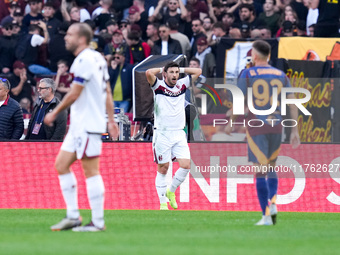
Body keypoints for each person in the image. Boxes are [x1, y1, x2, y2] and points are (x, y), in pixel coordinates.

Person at [44, 23, 119, 232]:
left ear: (82, 39)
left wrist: (54, 112)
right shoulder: (97, 58)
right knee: (61, 165)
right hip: (80, 126)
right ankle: (73, 216)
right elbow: (107, 92)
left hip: (88, 125)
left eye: (69, 34)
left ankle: (97, 222)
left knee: (91, 171)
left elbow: (75, 92)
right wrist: (111, 121)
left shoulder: (84, 59)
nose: (66, 38)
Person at [225, 40, 300, 225]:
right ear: (269, 56)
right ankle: (273, 202)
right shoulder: (280, 74)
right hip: (277, 125)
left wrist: (231, 122)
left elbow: (239, 101)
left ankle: (266, 216)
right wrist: (295, 130)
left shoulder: (248, 73)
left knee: (259, 171)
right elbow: (292, 102)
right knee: (271, 167)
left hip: (257, 125)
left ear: (255, 56)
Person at [145, 62, 201, 210]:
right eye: (171, 72)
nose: (175, 75)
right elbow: (149, 73)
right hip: (162, 133)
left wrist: (181, 69)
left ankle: (171, 191)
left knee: (186, 166)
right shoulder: (158, 86)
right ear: (165, 74)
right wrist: (161, 68)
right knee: (163, 167)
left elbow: (198, 71)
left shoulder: (182, 85)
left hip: (179, 133)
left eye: (177, 72)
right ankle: (163, 203)